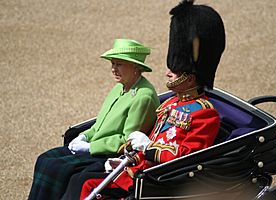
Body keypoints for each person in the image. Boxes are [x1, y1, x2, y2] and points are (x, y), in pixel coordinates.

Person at [62, 1, 226, 199]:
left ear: (190, 77)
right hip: (136, 169)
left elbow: (185, 157)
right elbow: (151, 138)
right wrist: (127, 157)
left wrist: (147, 148)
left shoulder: (205, 114)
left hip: (156, 180)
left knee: (85, 183)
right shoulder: (170, 103)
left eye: (173, 71)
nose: (167, 73)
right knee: (76, 178)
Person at [28, 39, 160, 200]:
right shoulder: (120, 87)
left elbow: (127, 140)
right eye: (113, 63)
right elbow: (100, 124)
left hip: (106, 154)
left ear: (136, 68)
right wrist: (84, 136)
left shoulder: (143, 96)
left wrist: (90, 147)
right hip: (93, 146)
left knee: (57, 167)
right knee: (44, 159)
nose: (113, 69)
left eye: (119, 64)